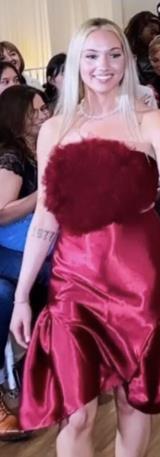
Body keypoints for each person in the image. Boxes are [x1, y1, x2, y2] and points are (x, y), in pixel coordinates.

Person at [9, 17, 160, 456]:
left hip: (139, 277)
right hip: (74, 278)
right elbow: (46, 218)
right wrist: (21, 298)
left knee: (133, 398)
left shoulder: (151, 122)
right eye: (91, 56)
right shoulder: (55, 129)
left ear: (126, 61)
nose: (103, 66)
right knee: (76, 412)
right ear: (77, 63)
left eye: (113, 55)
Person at [0, 85, 50, 440]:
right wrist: (43, 195)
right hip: (8, 244)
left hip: (32, 240)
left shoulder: (40, 148)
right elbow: (1, 213)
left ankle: (50, 363)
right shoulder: (12, 156)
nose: (44, 115)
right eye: (36, 111)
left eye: (45, 108)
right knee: (49, 273)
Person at [124, 11, 160, 84]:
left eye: (157, 34)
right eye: (152, 33)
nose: (155, 37)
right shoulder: (132, 57)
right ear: (139, 31)